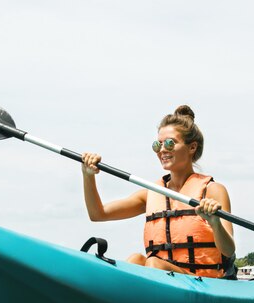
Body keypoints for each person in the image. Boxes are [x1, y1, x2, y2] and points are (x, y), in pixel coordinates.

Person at [81, 105, 235, 278]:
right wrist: (88, 176)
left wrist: (214, 223)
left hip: (205, 282)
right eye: (157, 145)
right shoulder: (152, 193)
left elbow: (228, 250)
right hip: (164, 278)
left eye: (170, 143)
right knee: (135, 260)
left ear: (192, 147)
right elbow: (97, 214)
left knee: (154, 263)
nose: (162, 150)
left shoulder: (212, 190)